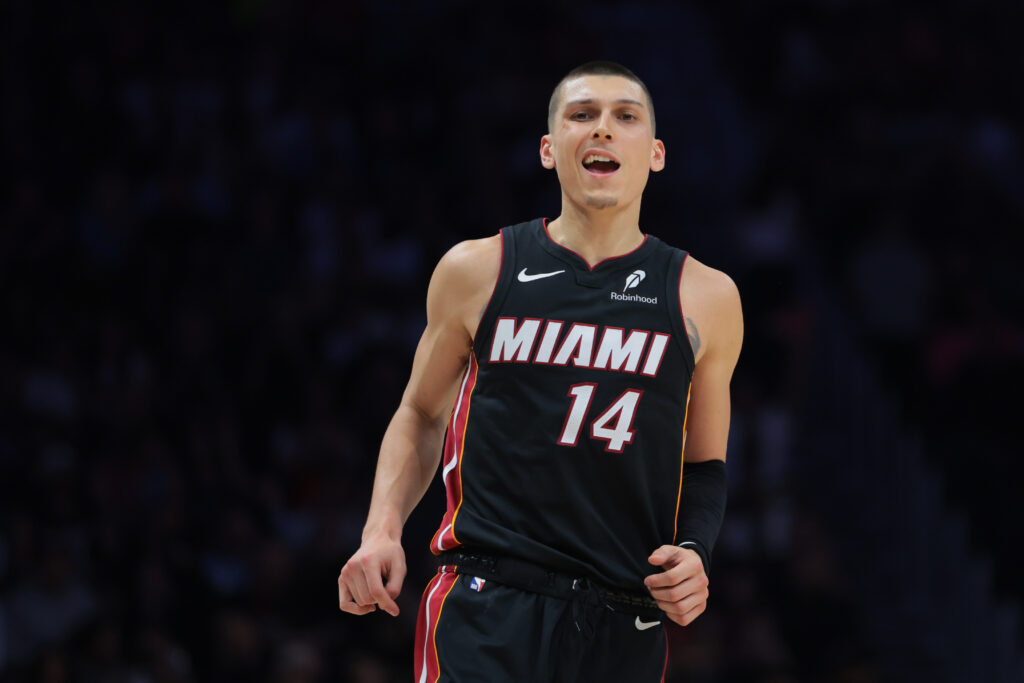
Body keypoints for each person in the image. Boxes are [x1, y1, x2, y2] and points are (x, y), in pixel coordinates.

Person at [338, 61, 743, 682]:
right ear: (549, 149)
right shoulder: (478, 269)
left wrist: (694, 551)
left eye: (625, 116)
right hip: (487, 600)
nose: (602, 129)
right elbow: (420, 412)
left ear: (656, 154)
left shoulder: (706, 296)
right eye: (582, 115)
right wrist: (380, 531)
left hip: (622, 618)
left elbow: (705, 464)